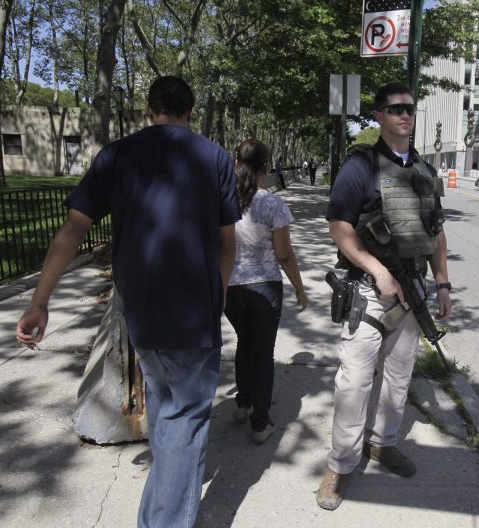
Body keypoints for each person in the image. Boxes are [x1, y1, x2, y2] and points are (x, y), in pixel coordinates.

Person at [15, 76, 240, 528]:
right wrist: (218, 294)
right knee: (184, 419)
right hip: (194, 310)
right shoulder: (215, 157)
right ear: (190, 111)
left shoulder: (115, 156)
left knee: (165, 406)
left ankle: (161, 509)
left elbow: (72, 231)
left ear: (148, 109)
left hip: (139, 308)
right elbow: (226, 243)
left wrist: (40, 301)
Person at [317, 82, 452, 510]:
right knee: (354, 382)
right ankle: (339, 465)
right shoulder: (359, 167)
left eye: (410, 109)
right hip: (368, 291)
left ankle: (383, 444)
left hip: (411, 291)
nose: (404, 116)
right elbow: (339, 228)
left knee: (398, 379)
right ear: (378, 116)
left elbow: (436, 234)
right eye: (395, 109)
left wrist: (443, 283)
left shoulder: (426, 172)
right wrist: (377, 271)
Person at [225, 138, 308, 444]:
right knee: (262, 353)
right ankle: (261, 423)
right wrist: (300, 289)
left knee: (244, 342)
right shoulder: (272, 204)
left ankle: (243, 403)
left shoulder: (224, 201)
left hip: (230, 288)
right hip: (265, 288)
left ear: (236, 164)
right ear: (266, 167)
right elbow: (284, 254)